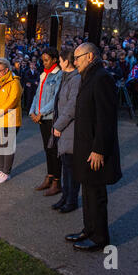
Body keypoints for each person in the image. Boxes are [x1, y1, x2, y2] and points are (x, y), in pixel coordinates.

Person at [65, 42, 122, 251]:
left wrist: (99, 149)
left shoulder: (102, 78)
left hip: (95, 150)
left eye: (78, 58)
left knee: (96, 195)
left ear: (90, 57)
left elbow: (106, 119)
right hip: (85, 147)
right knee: (87, 193)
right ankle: (88, 230)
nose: (75, 62)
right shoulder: (89, 77)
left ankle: (99, 238)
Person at [50, 49, 81, 213]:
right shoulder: (65, 77)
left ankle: (71, 200)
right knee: (65, 165)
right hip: (64, 128)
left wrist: (58, 125)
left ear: (66, 62)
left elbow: (72, 106)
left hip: (70, 129)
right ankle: (65, 197)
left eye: (60, 61)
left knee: (71, 167)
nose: (58, 64)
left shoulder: (76, 79)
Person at [29, 47, 63, 196]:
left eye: (46, 60)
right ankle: (49, 177)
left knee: (54, 150)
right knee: (47, 149)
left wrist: (41, 113)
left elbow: (56, 98)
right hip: (41, 117)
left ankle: (57, 181)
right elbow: (37, 95)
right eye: (42, 60)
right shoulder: (43, 74)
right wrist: (32, 111)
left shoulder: (59, 75)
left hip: (50, 118)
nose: (43, 62)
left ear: (55, 60)